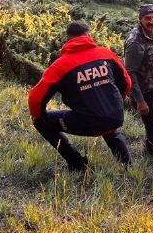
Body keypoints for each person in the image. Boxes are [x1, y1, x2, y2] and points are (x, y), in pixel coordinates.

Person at [28, 20, 132, 171]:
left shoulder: (60, 65)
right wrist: (113, 104)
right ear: (88, 35)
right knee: (110, 128)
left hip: (88, 122)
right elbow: (127, 83)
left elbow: (35, 98)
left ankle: (77, 163)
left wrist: (39, 115)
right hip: (114, 116)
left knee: (39, 122)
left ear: (68, 39)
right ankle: (129, 168)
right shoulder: (106, 54)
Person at [124, 4, 153, 156]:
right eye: (148, 18)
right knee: (152, 123)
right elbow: (130, 72)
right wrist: (140, 100)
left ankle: (150, 146)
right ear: (140, 19)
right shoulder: (134, 42)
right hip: (143, 89)